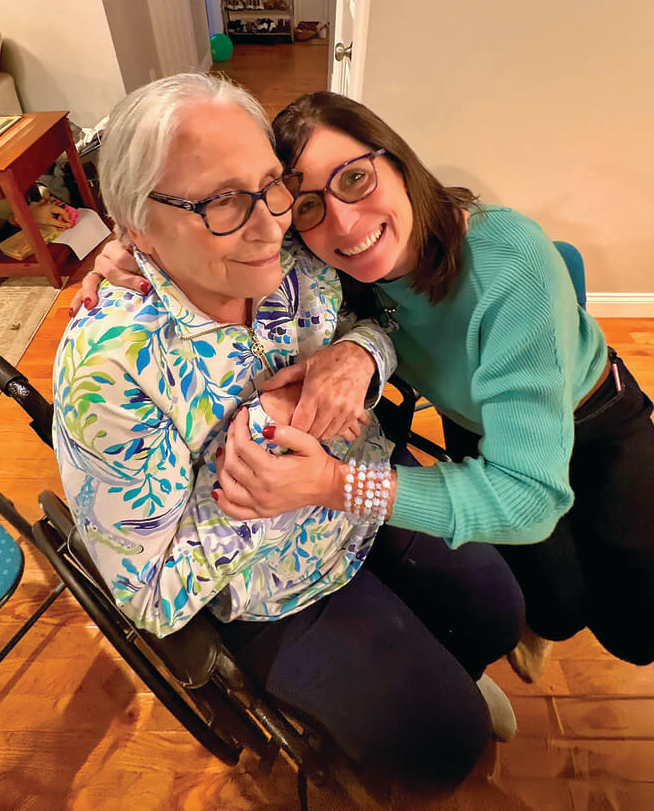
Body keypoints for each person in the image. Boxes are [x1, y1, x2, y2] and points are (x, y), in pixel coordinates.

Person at [76, 89, 654, 681]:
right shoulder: (309, 254)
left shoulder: (508, 261)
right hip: (476, 432)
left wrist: (335, 477)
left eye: (355, 179)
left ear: (395, 158)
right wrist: (131, 248)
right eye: (306, 204)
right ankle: (531, 629)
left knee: (640, 635)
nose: (342, 220)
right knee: (555, 605)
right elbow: (206, 219)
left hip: (592, 416)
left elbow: (528, 498)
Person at [55, 74, 524, 795]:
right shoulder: (111, 372)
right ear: (134, 225)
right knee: (442, 745)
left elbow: (382, 320)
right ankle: (435, 697)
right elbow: (147, 594)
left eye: (271, 186)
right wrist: (265, 477)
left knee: (498, 605)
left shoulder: (297, 260)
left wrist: (362, 355)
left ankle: (450, 669)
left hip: (360, 498)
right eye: (220, 201)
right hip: (274, 585)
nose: (271, 223)